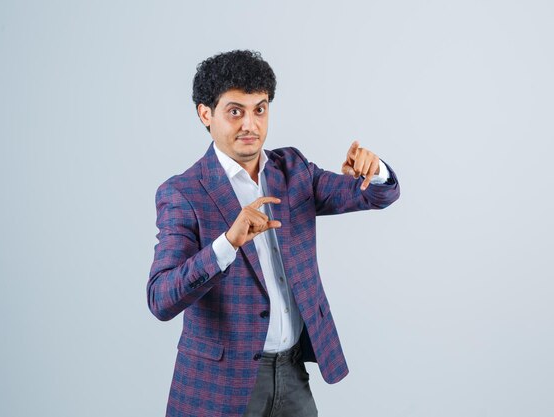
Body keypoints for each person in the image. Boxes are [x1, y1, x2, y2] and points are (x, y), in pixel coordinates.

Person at [147, 50, 400, 417]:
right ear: (206, 114)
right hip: (222, 385)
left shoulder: (293, 170)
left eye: (260, 109)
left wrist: (373, 170)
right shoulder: (183, 193)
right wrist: (226, 244)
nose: (250, 124)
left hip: (293, 373)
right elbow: (161, 298)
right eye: (235, 111)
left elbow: (377, 195)